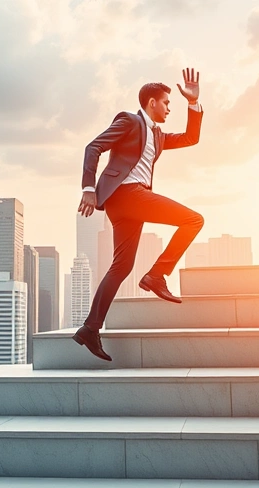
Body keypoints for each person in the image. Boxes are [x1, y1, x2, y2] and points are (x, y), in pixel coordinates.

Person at [74, 68, 205, 362]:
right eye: (167, 103)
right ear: (151, 103)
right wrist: (87, 188)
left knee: (121, 267)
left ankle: (90, 329)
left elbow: (190, 138)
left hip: (130, 202)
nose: (169, 108)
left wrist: (192, 104)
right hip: (127, 194)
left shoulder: (158, 136)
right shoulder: (130, 121)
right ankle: (157, 275)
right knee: (193, 219)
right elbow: (93, 147)